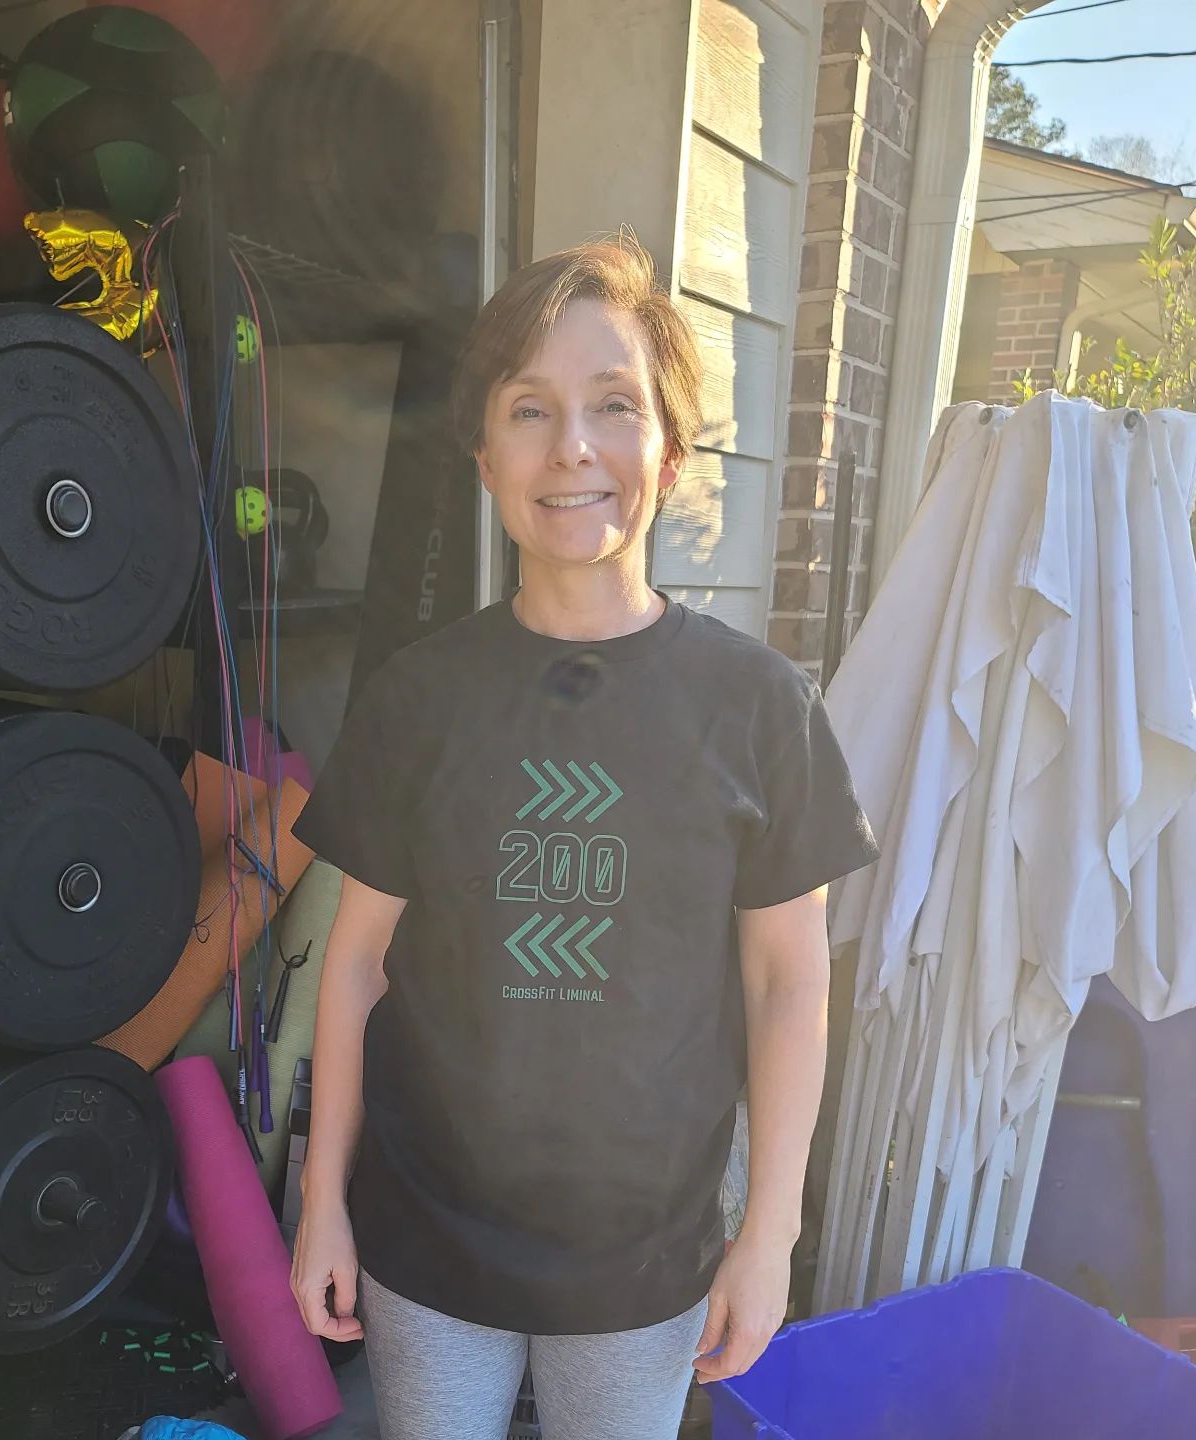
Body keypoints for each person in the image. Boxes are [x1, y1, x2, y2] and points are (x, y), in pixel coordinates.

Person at [289, 235, 878, 1440]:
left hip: (643, 1265)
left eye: (614, 405)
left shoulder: (759, 707)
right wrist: (321, 1200)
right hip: (426, 1241)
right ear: (485, 456)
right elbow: (355, 965)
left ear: (668, 454)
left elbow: (788, 985)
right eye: (529, 409)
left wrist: (770, 1232)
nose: (572, 447)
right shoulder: (417, 698)